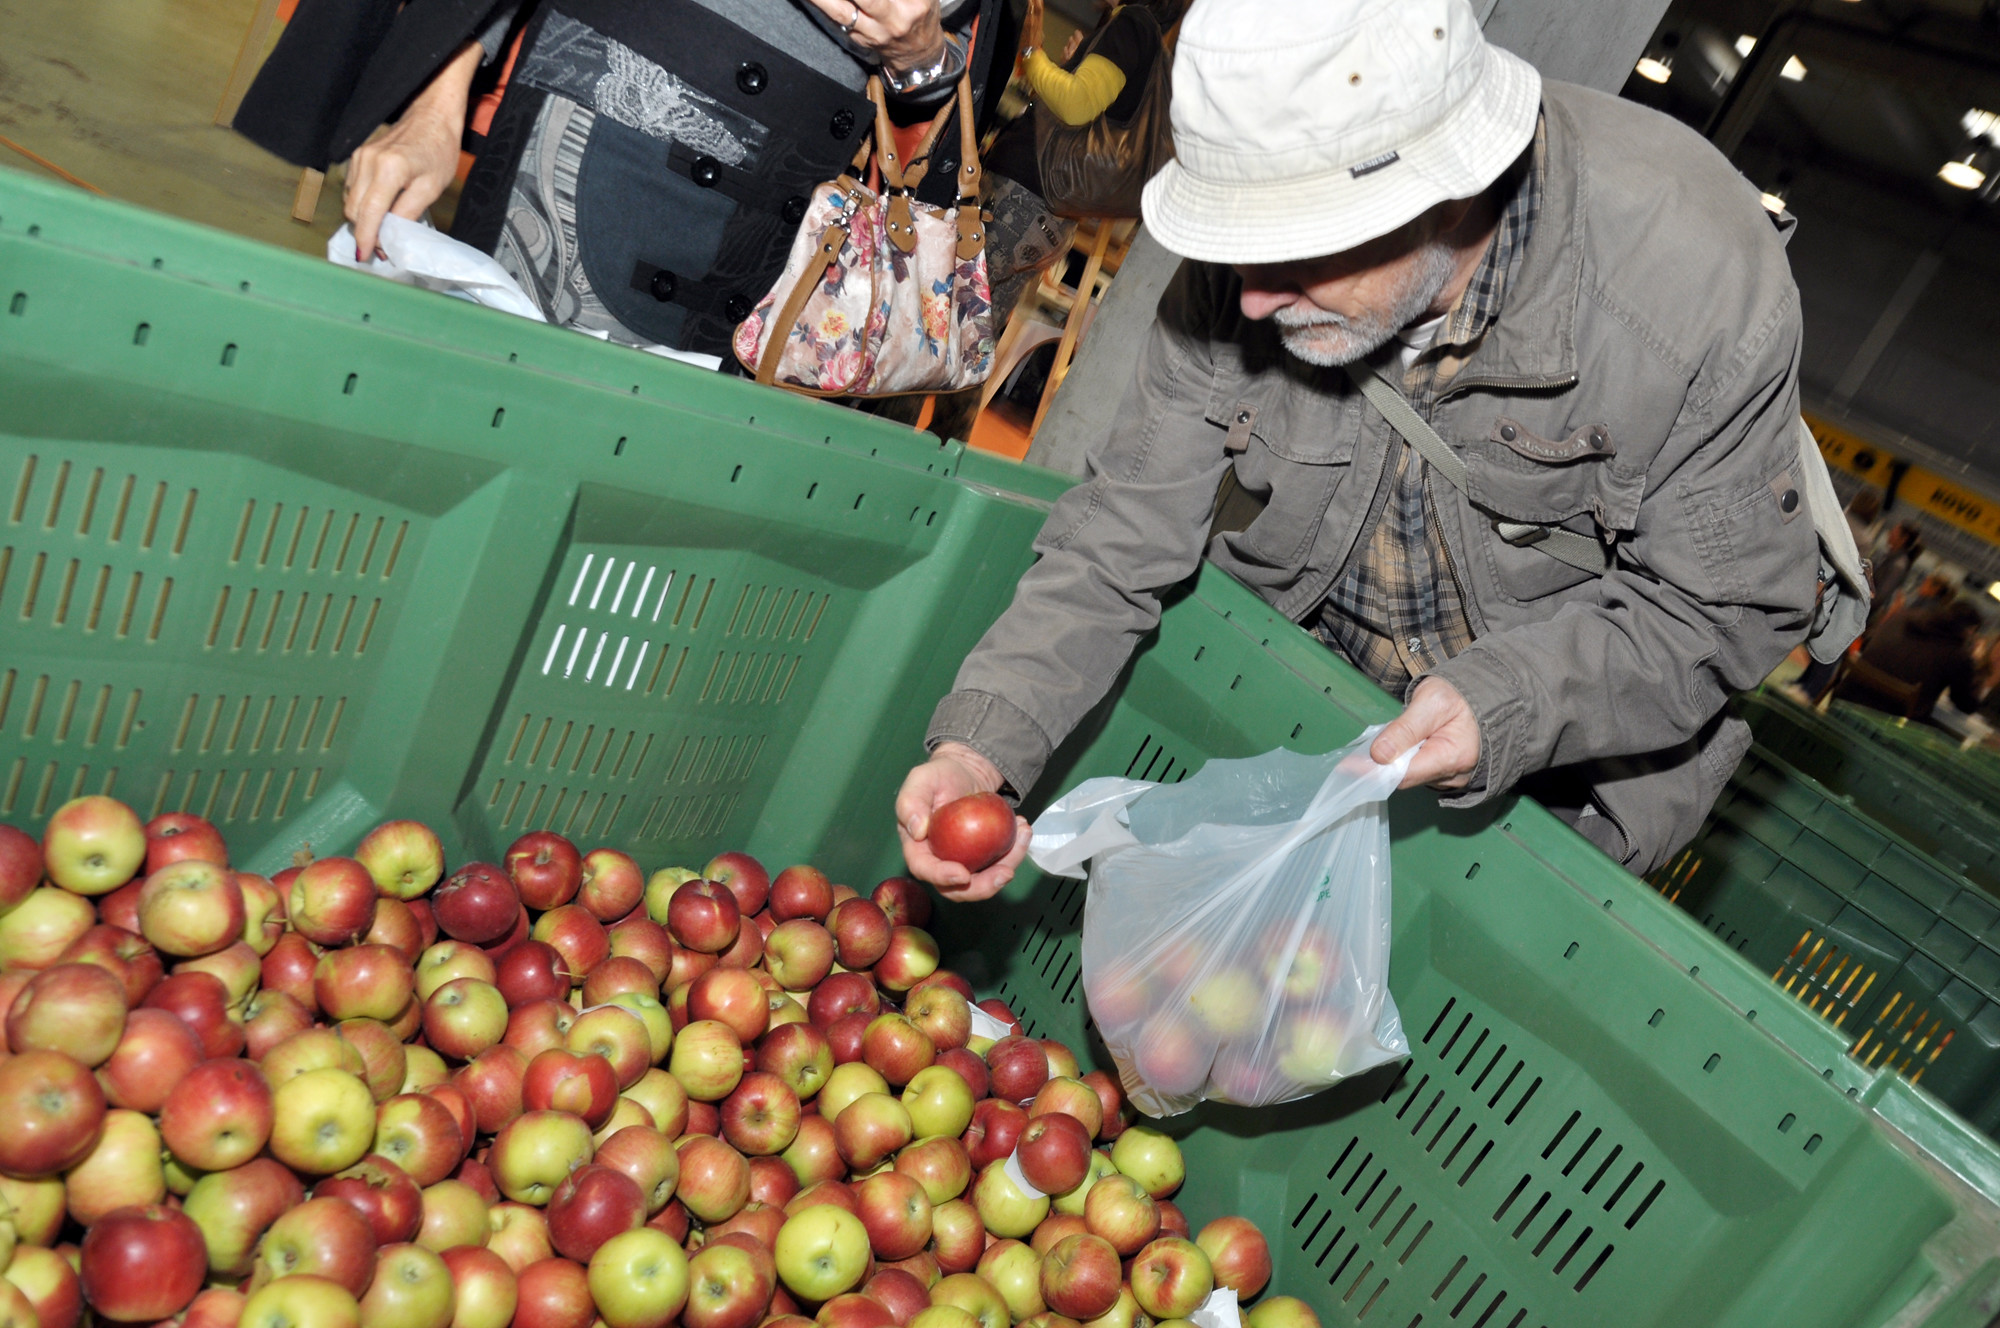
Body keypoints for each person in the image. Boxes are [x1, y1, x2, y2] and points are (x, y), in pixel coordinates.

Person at [893, 0, 1824, 896]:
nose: (1250, 298)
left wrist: (1508, 701)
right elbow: (1118, 533)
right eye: (1235, 249)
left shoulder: (1691, 292)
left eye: (1295, 253)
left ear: (1452, 195)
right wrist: (982, 747)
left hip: (1544, 782)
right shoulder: (1255, 259)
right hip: (1299, 720)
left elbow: (1721, 612)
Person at [234, 0, 1011, 359]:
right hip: (599, 136)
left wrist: (922, 57)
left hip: (788, 230)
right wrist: (440, 94)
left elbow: (947, 80)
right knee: (466, 450)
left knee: (631, 555)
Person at [1837, 598, 1985, 722]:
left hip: (1844, 696)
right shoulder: (1958, 655)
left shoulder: (1903, 616)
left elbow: (1866, 644)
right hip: (1888, 722)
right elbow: (1965, 704)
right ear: (1969, 630)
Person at [1868, 523, 1922, 625]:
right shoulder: (1889, 556)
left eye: (1894, 531)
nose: (1890, 533)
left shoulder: (1898, 566)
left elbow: (1880, 596)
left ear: (1903, 539)